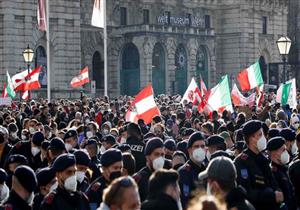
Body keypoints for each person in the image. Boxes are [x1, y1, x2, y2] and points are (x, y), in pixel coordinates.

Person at [234, 120, 283, 210]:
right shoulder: (241, 162)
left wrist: (278, 191)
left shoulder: (263, 158)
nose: (264, 138)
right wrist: (271, 195)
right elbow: (246, 191)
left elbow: (272, 181)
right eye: (260, 135)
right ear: (251, 138)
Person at [267, 136, 297, 210]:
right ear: (274, 153)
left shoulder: (284, 169)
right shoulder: (272, 173)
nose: (286, 153)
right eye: (283, 150)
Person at [178, 132, 206, 209]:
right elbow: (185, 200)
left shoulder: (207, 169)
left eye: (202, 146)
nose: (200, 149)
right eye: (196, 146)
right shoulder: (184, 172)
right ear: (189, 150)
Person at [133, 137, 165, 202]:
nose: (160, 158)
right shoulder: (139, 179)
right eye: (156, 154)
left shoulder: (166, 177)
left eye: (162, 155)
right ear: (147, 157)